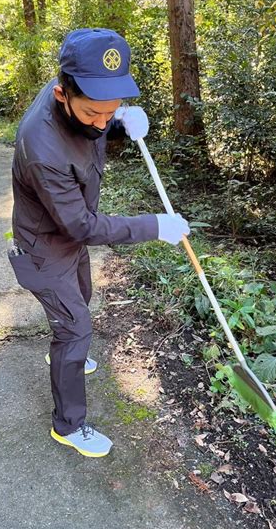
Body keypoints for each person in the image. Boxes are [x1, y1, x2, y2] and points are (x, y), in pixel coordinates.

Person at [10, 28, 190, 458]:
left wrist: (122, 123)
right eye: (93, 113)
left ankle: (65, 357)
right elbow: (82, 226)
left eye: (111, 111)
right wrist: (154, 226)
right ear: (61, 94)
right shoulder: (43, 149)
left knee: (82, 297)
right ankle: (68, 425)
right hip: (44, 248)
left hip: (68, 240)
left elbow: (98, 120)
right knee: (75, 327)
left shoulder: (84, 88)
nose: (101, 122)